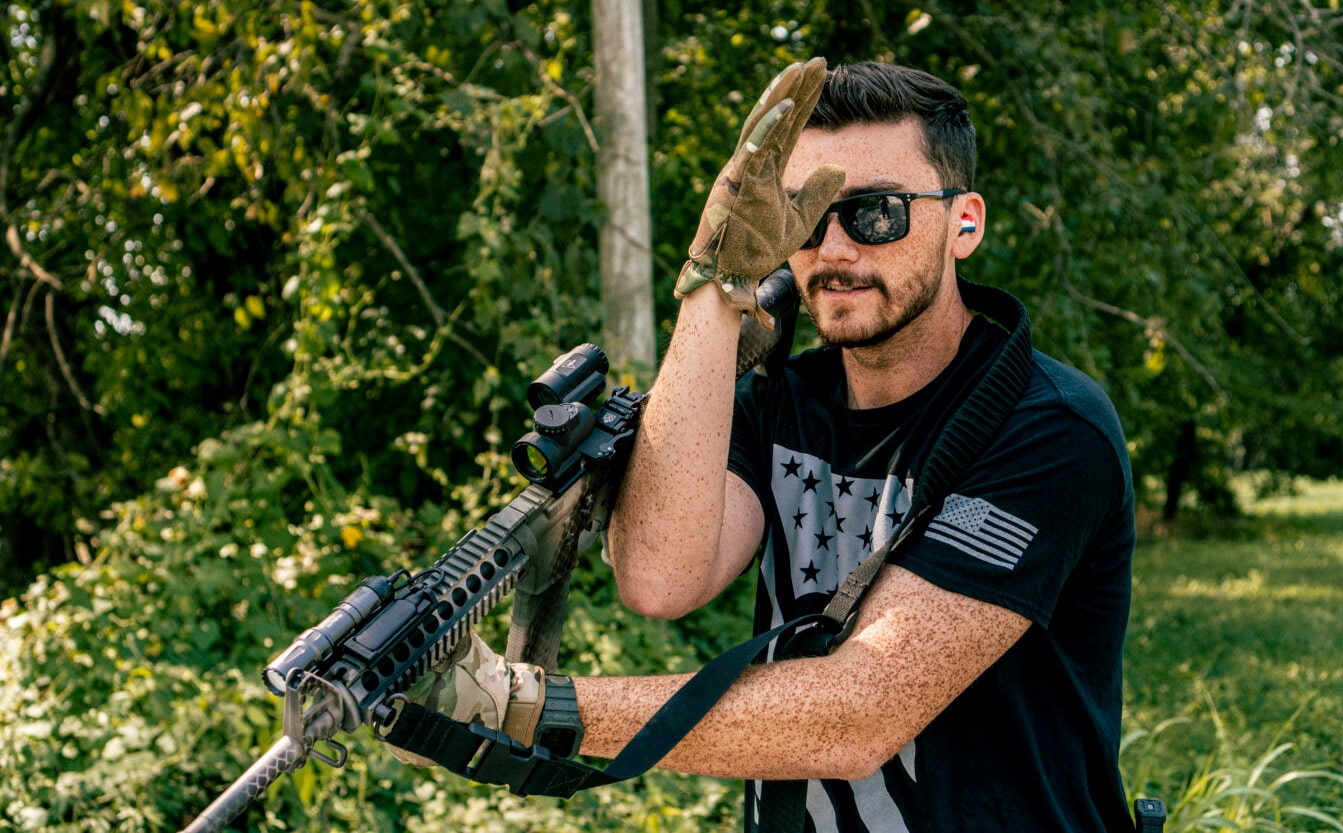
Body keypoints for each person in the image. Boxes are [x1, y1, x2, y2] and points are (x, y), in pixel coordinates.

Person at [391, 58, 1137, 833]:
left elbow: (862, 713)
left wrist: (522, 704)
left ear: (965, 222)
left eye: (876, 212)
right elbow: (659, 577)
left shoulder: (1049, 427)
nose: (837, 249)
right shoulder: (782, 401)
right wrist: (715, 282)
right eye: (806, 217)